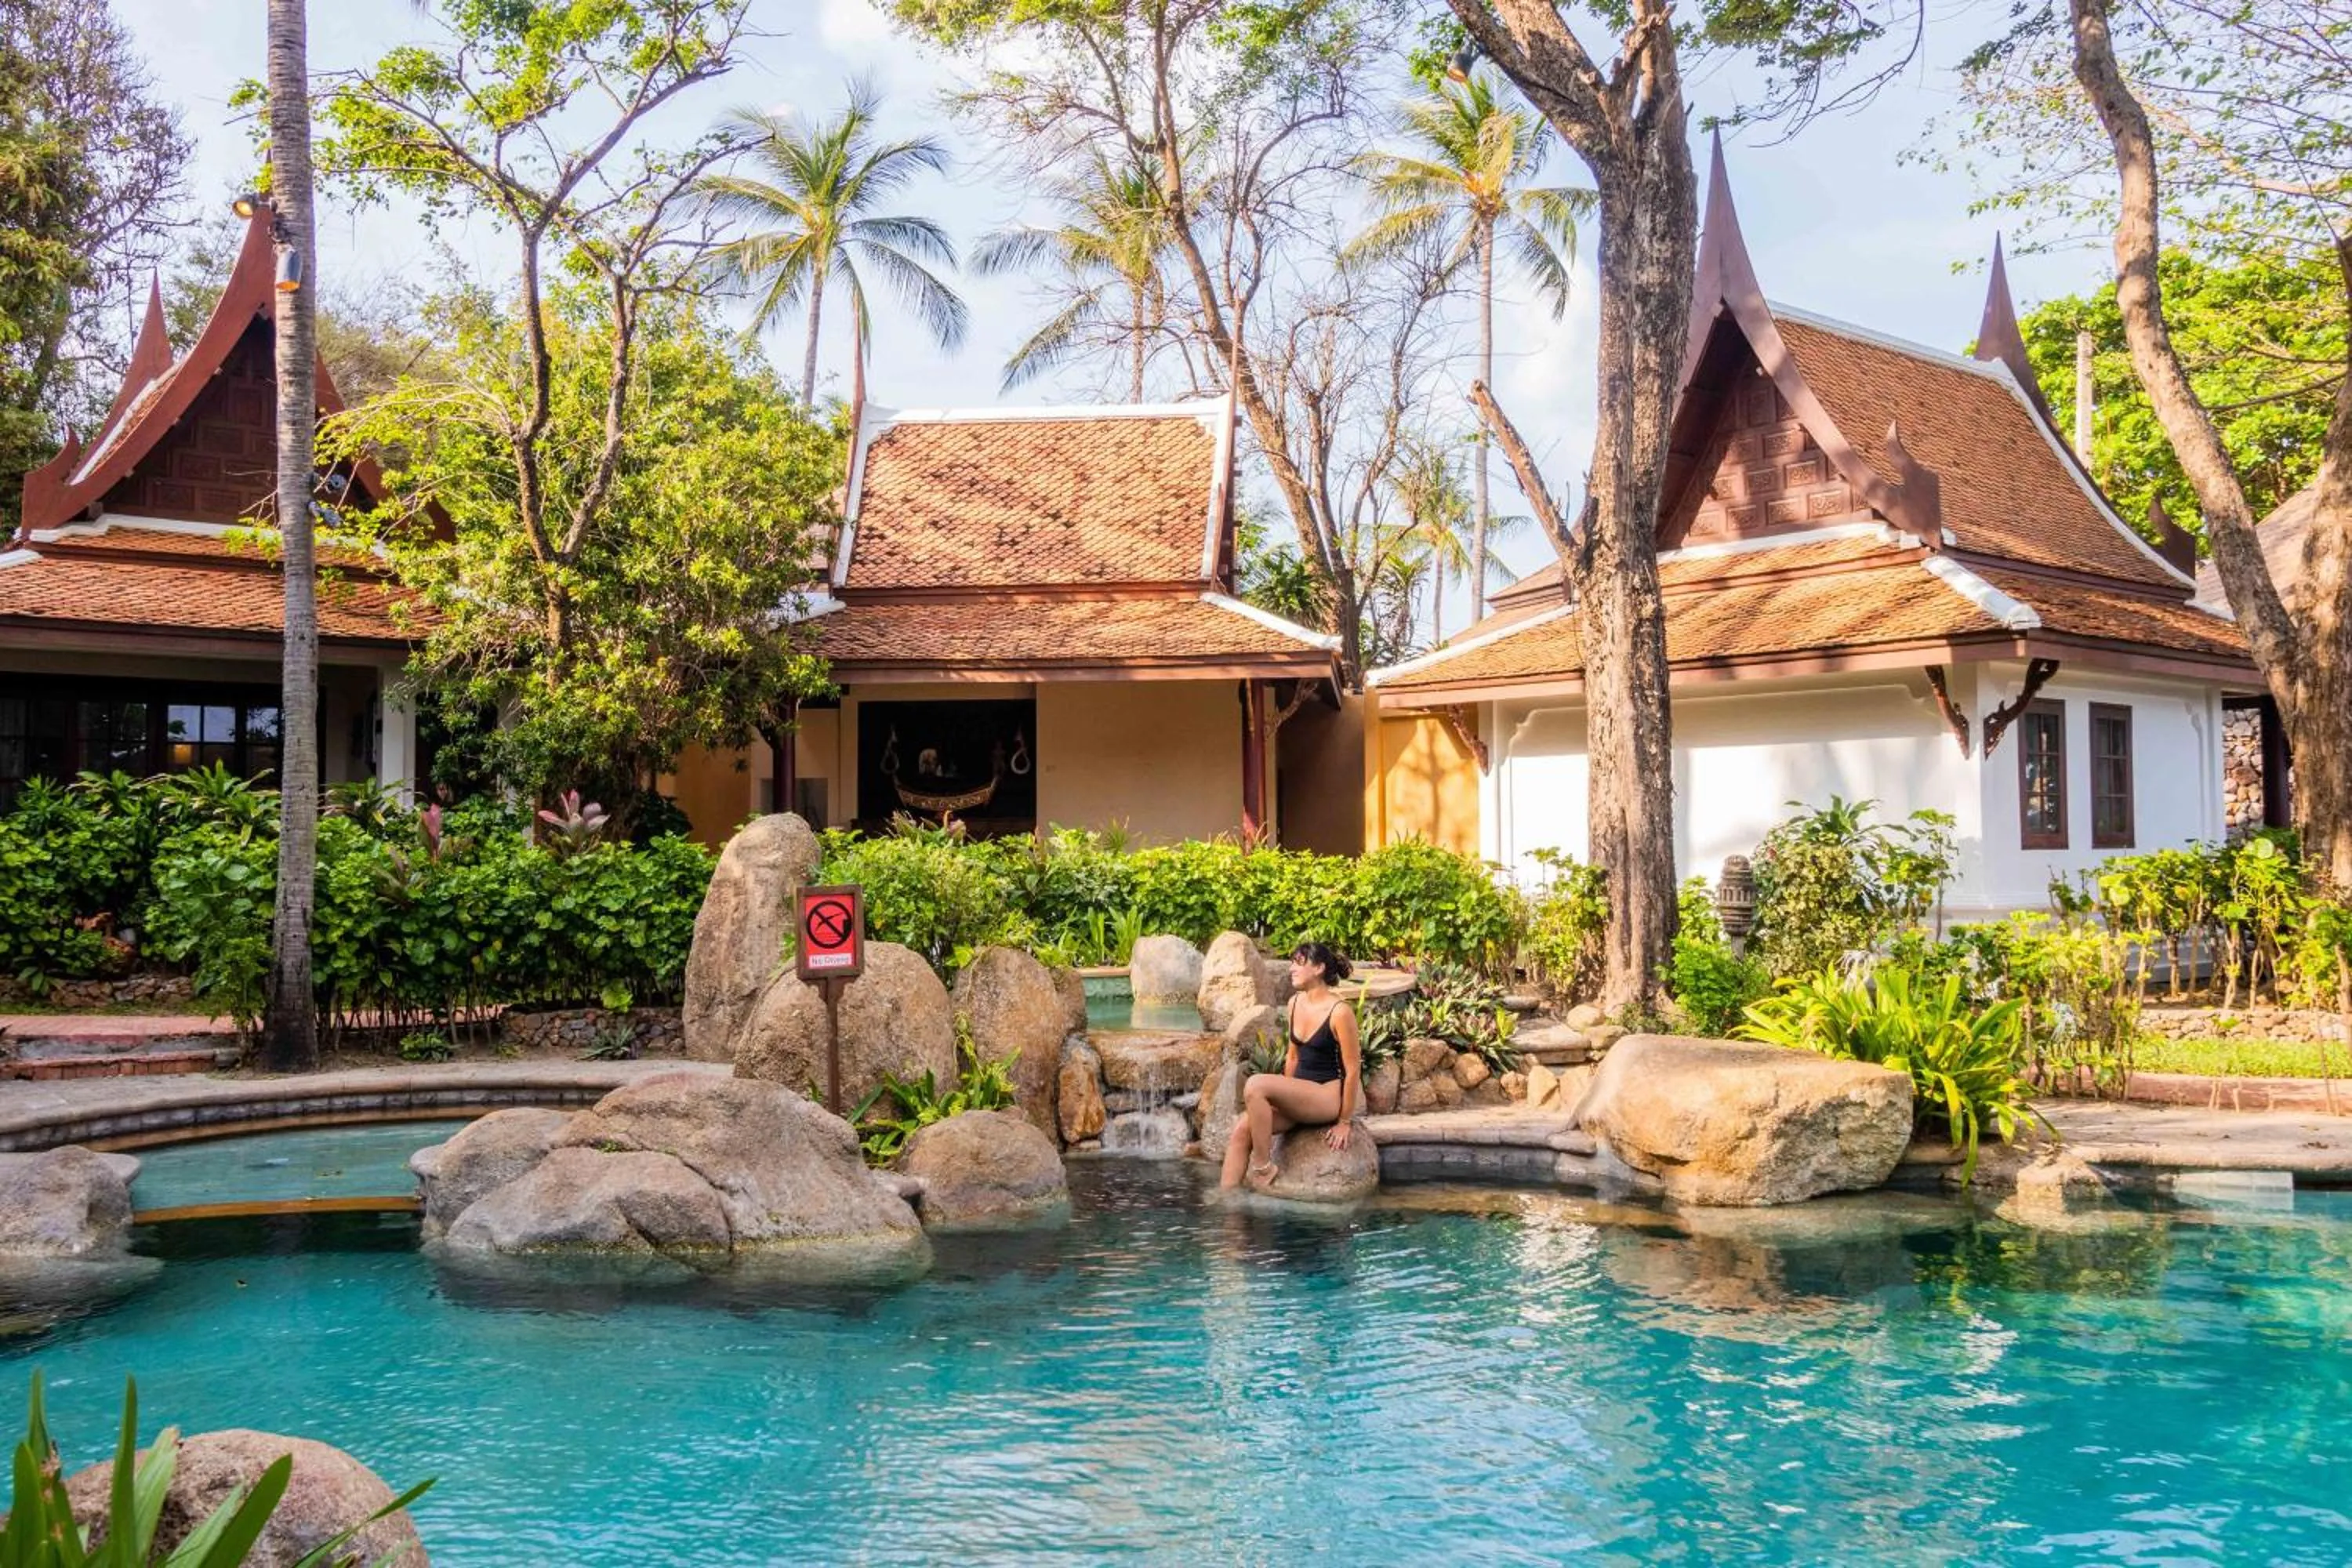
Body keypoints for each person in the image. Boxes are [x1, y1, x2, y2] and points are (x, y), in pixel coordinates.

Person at [1219, 942, 1363, 1190]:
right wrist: (1282, 1098)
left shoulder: (1340, 1012)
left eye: (1299, 963)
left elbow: (1353, 1070)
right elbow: (1293, 1057)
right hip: (1301, 1096)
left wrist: (1345, 1122)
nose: (1291, 969)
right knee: (1242, 1129)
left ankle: (1264, 1167)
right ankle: (1226, 1204)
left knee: (1255, 1084)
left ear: (1318, 968)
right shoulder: (1296, 1003)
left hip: (1326, 1097)